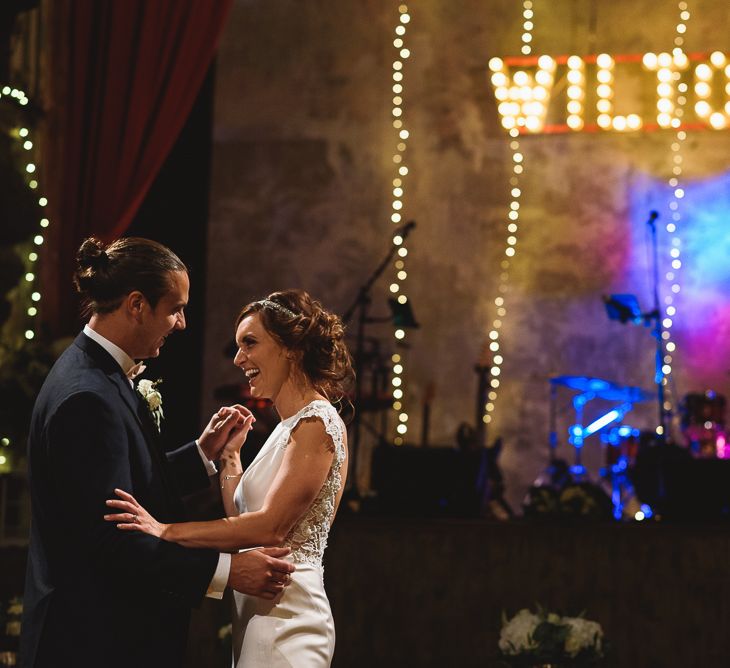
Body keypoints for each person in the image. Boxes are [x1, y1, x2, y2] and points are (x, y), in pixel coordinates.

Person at [20, 238, 295, 668]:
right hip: (91, 641)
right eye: (175, 308)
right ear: (136, 305)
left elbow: (118, 490)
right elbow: (112, 539)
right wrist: (226, 572)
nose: (182, 323)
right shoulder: (86, 396)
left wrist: (200, 456)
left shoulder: (96, 372)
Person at [104, 289, 354, 667]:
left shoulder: (317, 423)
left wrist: (166, 531)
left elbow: (269, 527)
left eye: (250, 344)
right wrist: (230, 459)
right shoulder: (286, 426)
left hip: (291, 618)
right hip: (257, 615)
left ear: (291, 347)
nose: (239, 359)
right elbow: (244, 511)